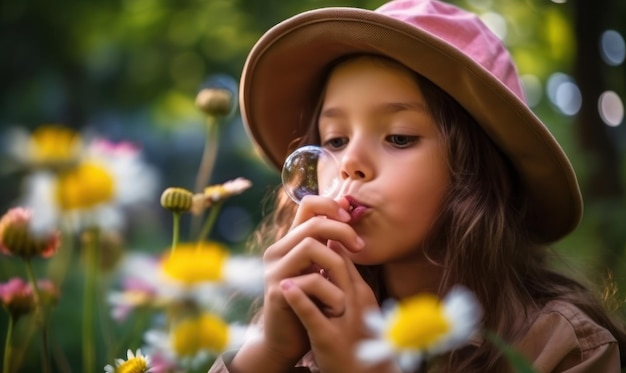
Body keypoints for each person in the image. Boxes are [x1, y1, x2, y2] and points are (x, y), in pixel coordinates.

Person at [209, 0, 626, 372]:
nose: (349, 162)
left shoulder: (562, 347)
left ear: (479, 172)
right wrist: (266, 352)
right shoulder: (305, 326)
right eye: (335, 140)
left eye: (399, 137)